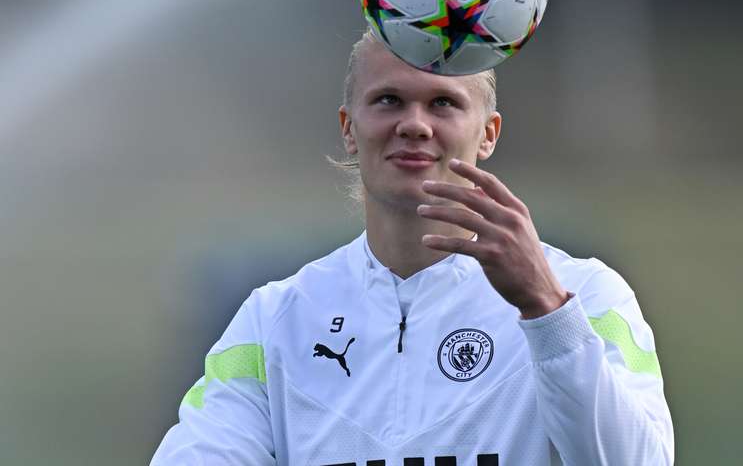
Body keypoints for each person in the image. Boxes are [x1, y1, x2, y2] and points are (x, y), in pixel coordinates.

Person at [151, 31, 675, 465]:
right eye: (388, 100)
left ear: (488, 133)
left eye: (443, 102)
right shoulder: (273, 319)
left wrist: (545, 310)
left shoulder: (585, 295)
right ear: (348, 129)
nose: (415, 124)